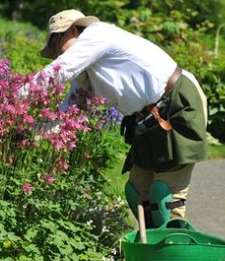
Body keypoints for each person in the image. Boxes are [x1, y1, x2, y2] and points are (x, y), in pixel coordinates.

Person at [36, 9, 208, 226]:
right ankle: (152, 255)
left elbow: (59, 71)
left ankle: (179, 255)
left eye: (57, 46)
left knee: (164, 195)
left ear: (71, 31)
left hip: (177, 101)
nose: (58, 55)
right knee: (137, 192)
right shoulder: (86, 73)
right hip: (145, 119)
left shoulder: (97, 35)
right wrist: (28, 131)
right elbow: (66, 113)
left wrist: (18, 98)